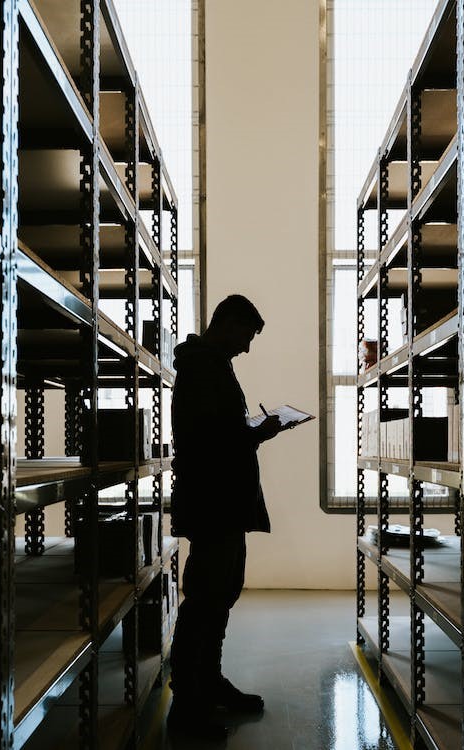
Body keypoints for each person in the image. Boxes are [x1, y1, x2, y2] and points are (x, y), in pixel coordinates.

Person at [167, 294, 284, 740]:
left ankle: (208, 683)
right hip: (213, 504)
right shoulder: (202, 367)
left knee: (220, 596)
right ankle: (187, 705)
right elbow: (210, 439)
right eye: (247, 336)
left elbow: (217, 431)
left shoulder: (212, 364)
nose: (248, 347)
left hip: (223, 504)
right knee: (204, 601)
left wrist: (251, 432)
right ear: (229, 324)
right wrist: (257, 433)